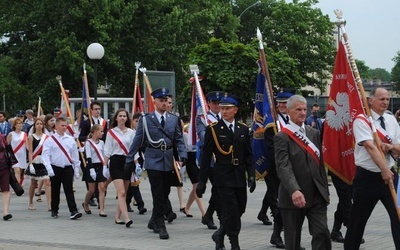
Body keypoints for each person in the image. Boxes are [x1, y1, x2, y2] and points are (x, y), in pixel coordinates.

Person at [125, 87, 187, 240]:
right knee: (157, 193)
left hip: (168, 160)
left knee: (164, 192)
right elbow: (137, 140)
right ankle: (161, 225)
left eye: (166, 101)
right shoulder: (146, 119)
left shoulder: (173, 119)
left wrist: (183, 154)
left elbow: (178, 139)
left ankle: (153, 220)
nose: (164, 103)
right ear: (155, 102)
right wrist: (129, 158)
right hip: (153, 160)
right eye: (161, 100)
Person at [196, 93, 256, 250]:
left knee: (240, 208)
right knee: (230, 211)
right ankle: (234, 244)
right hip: (222, 176)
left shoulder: (243, 129)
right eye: (222, 109)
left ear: (235, 110)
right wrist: (201, 181)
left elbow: (249, 155)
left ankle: (219, 234)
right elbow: (206, 156)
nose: (224, 111)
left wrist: (251, 175)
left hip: (239, 175)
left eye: (228, 109)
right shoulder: (214, 130)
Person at [344, 87, 400, 249]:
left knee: (398, 217)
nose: (385, 102)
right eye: (381, 99)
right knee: (357, 221)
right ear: (371, 100)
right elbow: (370, 146)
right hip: (368, 178)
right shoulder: (361, 120)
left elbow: (397, 146)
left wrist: (389, 147)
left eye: (387, 99)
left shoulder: (391, 120)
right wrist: (384, 170)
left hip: (391, 176)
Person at [274, 95, 331, 250]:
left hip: (316, 194)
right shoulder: (282, 136)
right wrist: (294, 190)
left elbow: (320, 164)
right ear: (288, 110)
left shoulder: (313, 133)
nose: (302, 113)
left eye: (304, 109)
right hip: (294, 196)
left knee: (322, 233)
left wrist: (325, 190)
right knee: (293, 241)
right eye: (298, 109)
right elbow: (283, 166)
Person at [42, 117, 82, 220]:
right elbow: (45, 155)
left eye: (65, 125)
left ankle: (73, 210)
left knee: (69, 189)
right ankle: (54, 209)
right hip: (55, 167)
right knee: (55, 190)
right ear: (56, 126)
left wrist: (76, 169)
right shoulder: (50, 140)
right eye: (62, 125)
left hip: (67, 167)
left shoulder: (70, 139)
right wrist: (49, 168)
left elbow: (75, 155)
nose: (64, 128)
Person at [195, 90, 223, 230]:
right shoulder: (202, 118)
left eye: (219, 103)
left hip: (223, 159)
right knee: (217, 188)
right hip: (210, 159)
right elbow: (203, 135)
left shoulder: (225, 116)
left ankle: (208, 215)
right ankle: (213, 216)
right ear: (209, 104)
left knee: (219, 189)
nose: (217, 105)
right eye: (214, 103)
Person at [103, 108, 135, 227]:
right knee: (121, 192)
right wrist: (104, 166)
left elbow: (133, 149)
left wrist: (137, 164)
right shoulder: (111, 132)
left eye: (124, 116)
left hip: (127, 162)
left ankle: (118, 217)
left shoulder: (131, 132)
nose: (122, 118)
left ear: (127, 118)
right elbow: (107, 150)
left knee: (124, 193)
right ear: (116, 118)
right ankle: (127, 218)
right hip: (115, 161)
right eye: (120, 116)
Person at [79, 101, 108, 207]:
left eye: (99, 109)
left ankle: (101, 201)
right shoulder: (86, 122)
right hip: (89, 151)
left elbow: (105, 136)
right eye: (95, 109)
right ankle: (90, 198)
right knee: (91, 180)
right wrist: (89, 137)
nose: (97, 111)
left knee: (101, 182)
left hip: (101, 151)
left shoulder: (103, 122)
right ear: (91, 110)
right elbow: (80, 137)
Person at [25, 118, 51, 211]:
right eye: (37, 124)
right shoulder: (31, 137)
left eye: (41, 124)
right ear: (34, 126)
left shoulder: (46, 137)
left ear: (43, 126)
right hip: (35, 160)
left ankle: (49, 204)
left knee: (47, 182)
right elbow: (30, 152)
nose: (39, 125)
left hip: (43, 161)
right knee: (33, 183)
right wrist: (30, 164)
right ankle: (31, 202)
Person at [83, 124, 108, 217]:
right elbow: (88, 156)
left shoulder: (101, 143)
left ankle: (102, 209)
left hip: (100, 166)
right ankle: (85, 203)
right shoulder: (88, 143)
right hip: (91, 166)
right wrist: (91, 169)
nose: (102, 133)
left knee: (102, 188)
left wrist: (106, 166)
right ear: (95, 132)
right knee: (92, 190)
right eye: (101, 131)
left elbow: (104, 155)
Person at [126, 112, 147, 215]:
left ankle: (126, 202)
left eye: (140, 121)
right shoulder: (130, 133)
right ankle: (140, 205)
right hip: (132, 159)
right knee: (134, 181)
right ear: (132, 122)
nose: (138, 123)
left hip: (140, 159)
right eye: (136, 121)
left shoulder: (144, 134)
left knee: (132, 183)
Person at [0, 133, 18, 220]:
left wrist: (11, 163)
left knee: (6, 189)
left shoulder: (2, 137)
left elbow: (8, 150)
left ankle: (6, 212)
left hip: (4, 166)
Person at [7, 117, 28, 185]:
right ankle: (18, 187)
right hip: (14, 155)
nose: (20, 125)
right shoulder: (11, 134)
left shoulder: (24, 134)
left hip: (22, 155)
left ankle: (20, 184)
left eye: (21, 123)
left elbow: (27, 145)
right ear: (15, 125)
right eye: (18, 123)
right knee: (17, 171)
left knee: (21, 171)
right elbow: (7, 145)